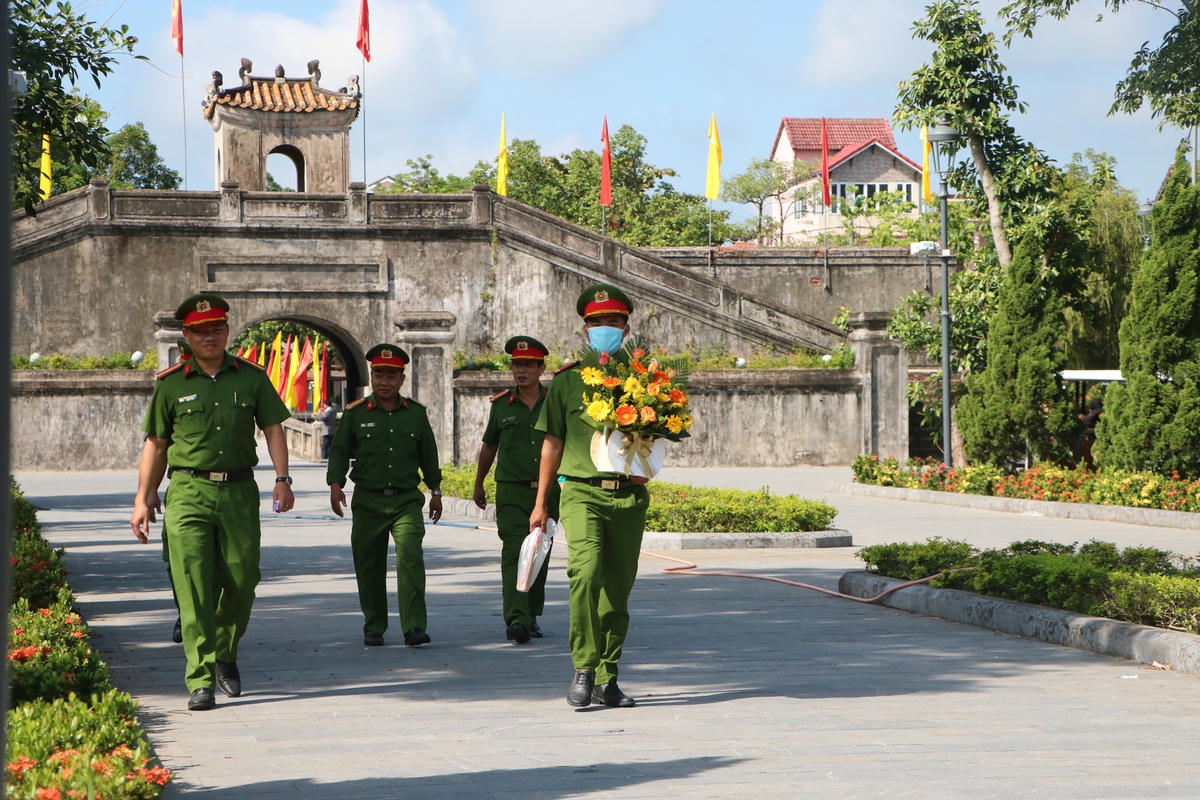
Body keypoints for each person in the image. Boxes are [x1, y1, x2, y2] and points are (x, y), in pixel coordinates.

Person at [130, 293, 294, 712]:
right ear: (186, 335)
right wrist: (142, 498)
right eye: (200, 331)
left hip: (239, 492)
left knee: (242, 581)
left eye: (217, 329)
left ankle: (225, 651)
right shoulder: (171, 384)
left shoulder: (251, 378)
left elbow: (274, 428)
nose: (210, 337)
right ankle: (200, 677)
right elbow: (156, 444)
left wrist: (282, 479)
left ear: (227, 331)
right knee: (194, 585)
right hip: (188, 492)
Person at [531, 283, 649, 709]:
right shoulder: (565, 382)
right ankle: (583, 667)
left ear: (626, 326)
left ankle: (607, 677)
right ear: (585, 329)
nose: (605, 328)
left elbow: (657, 436)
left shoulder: (644, 378)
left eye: (612, 322)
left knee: (616, 593)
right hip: (580, 492)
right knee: (584, 574)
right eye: (596, 322)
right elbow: (552, 444)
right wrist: (540, 504)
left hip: (628, 499)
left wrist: (644, 472)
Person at [327, 344, 443, 647]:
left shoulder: (415, 415)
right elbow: (339, 451)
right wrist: (335, 485)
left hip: (406, 500)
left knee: (411, 560)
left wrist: (436, 491)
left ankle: (415, 627)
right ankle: (374, 624)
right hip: (368, 500)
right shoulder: (355, 414)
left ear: (402, 379)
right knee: (369, 564)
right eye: (379, 374)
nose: (384, 381)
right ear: (371, 376)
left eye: (391, 375)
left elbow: (428, 454)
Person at [473, 336, 560, 645]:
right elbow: (489, 445)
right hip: (511, 490)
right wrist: (479, 481)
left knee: (539, 551)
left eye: (527, 365)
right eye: (516, 365)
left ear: (541, 368)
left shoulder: (555, 403)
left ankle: (531, 612)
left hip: (549, 491)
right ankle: (517, 619)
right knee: (513, 551)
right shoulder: (501, 406)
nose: (520, 371)